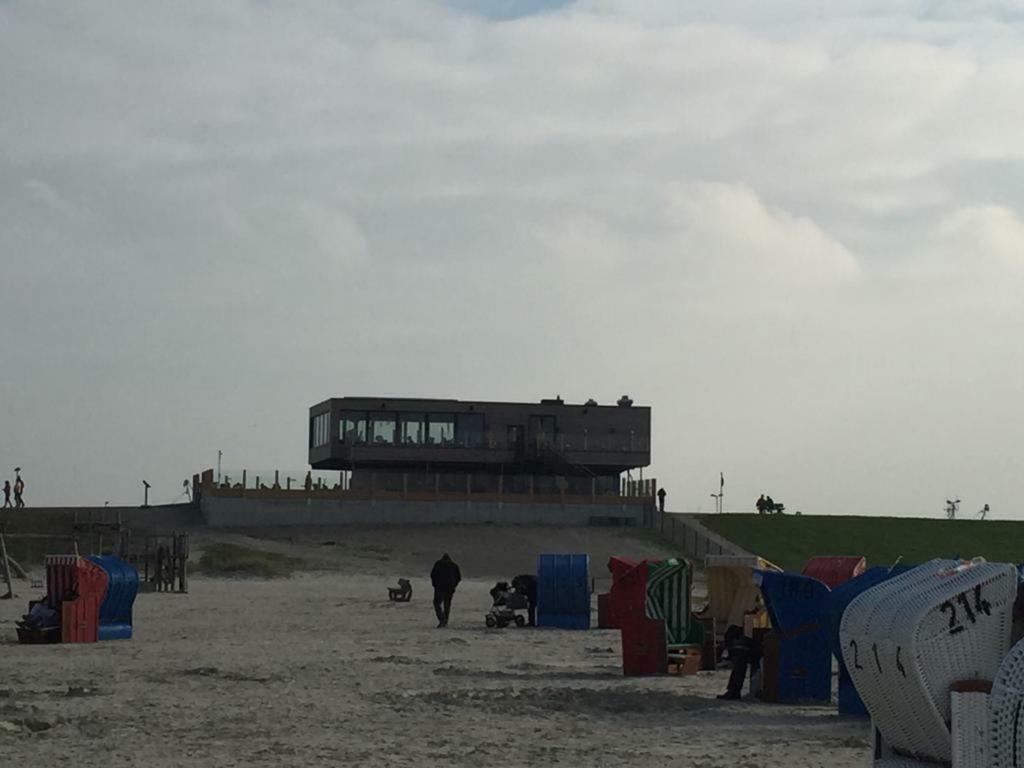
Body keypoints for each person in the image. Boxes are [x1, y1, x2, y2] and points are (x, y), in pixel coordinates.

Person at [430, 553, 461, 628]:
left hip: (439, 587)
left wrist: (435, 585)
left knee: (437, 603)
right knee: (447, 604)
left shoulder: (438, 564)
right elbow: (459, 577)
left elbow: (433, 575)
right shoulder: (454, 565)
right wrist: (454, 586)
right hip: (450, 588)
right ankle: (445, 620)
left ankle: (441, 619)